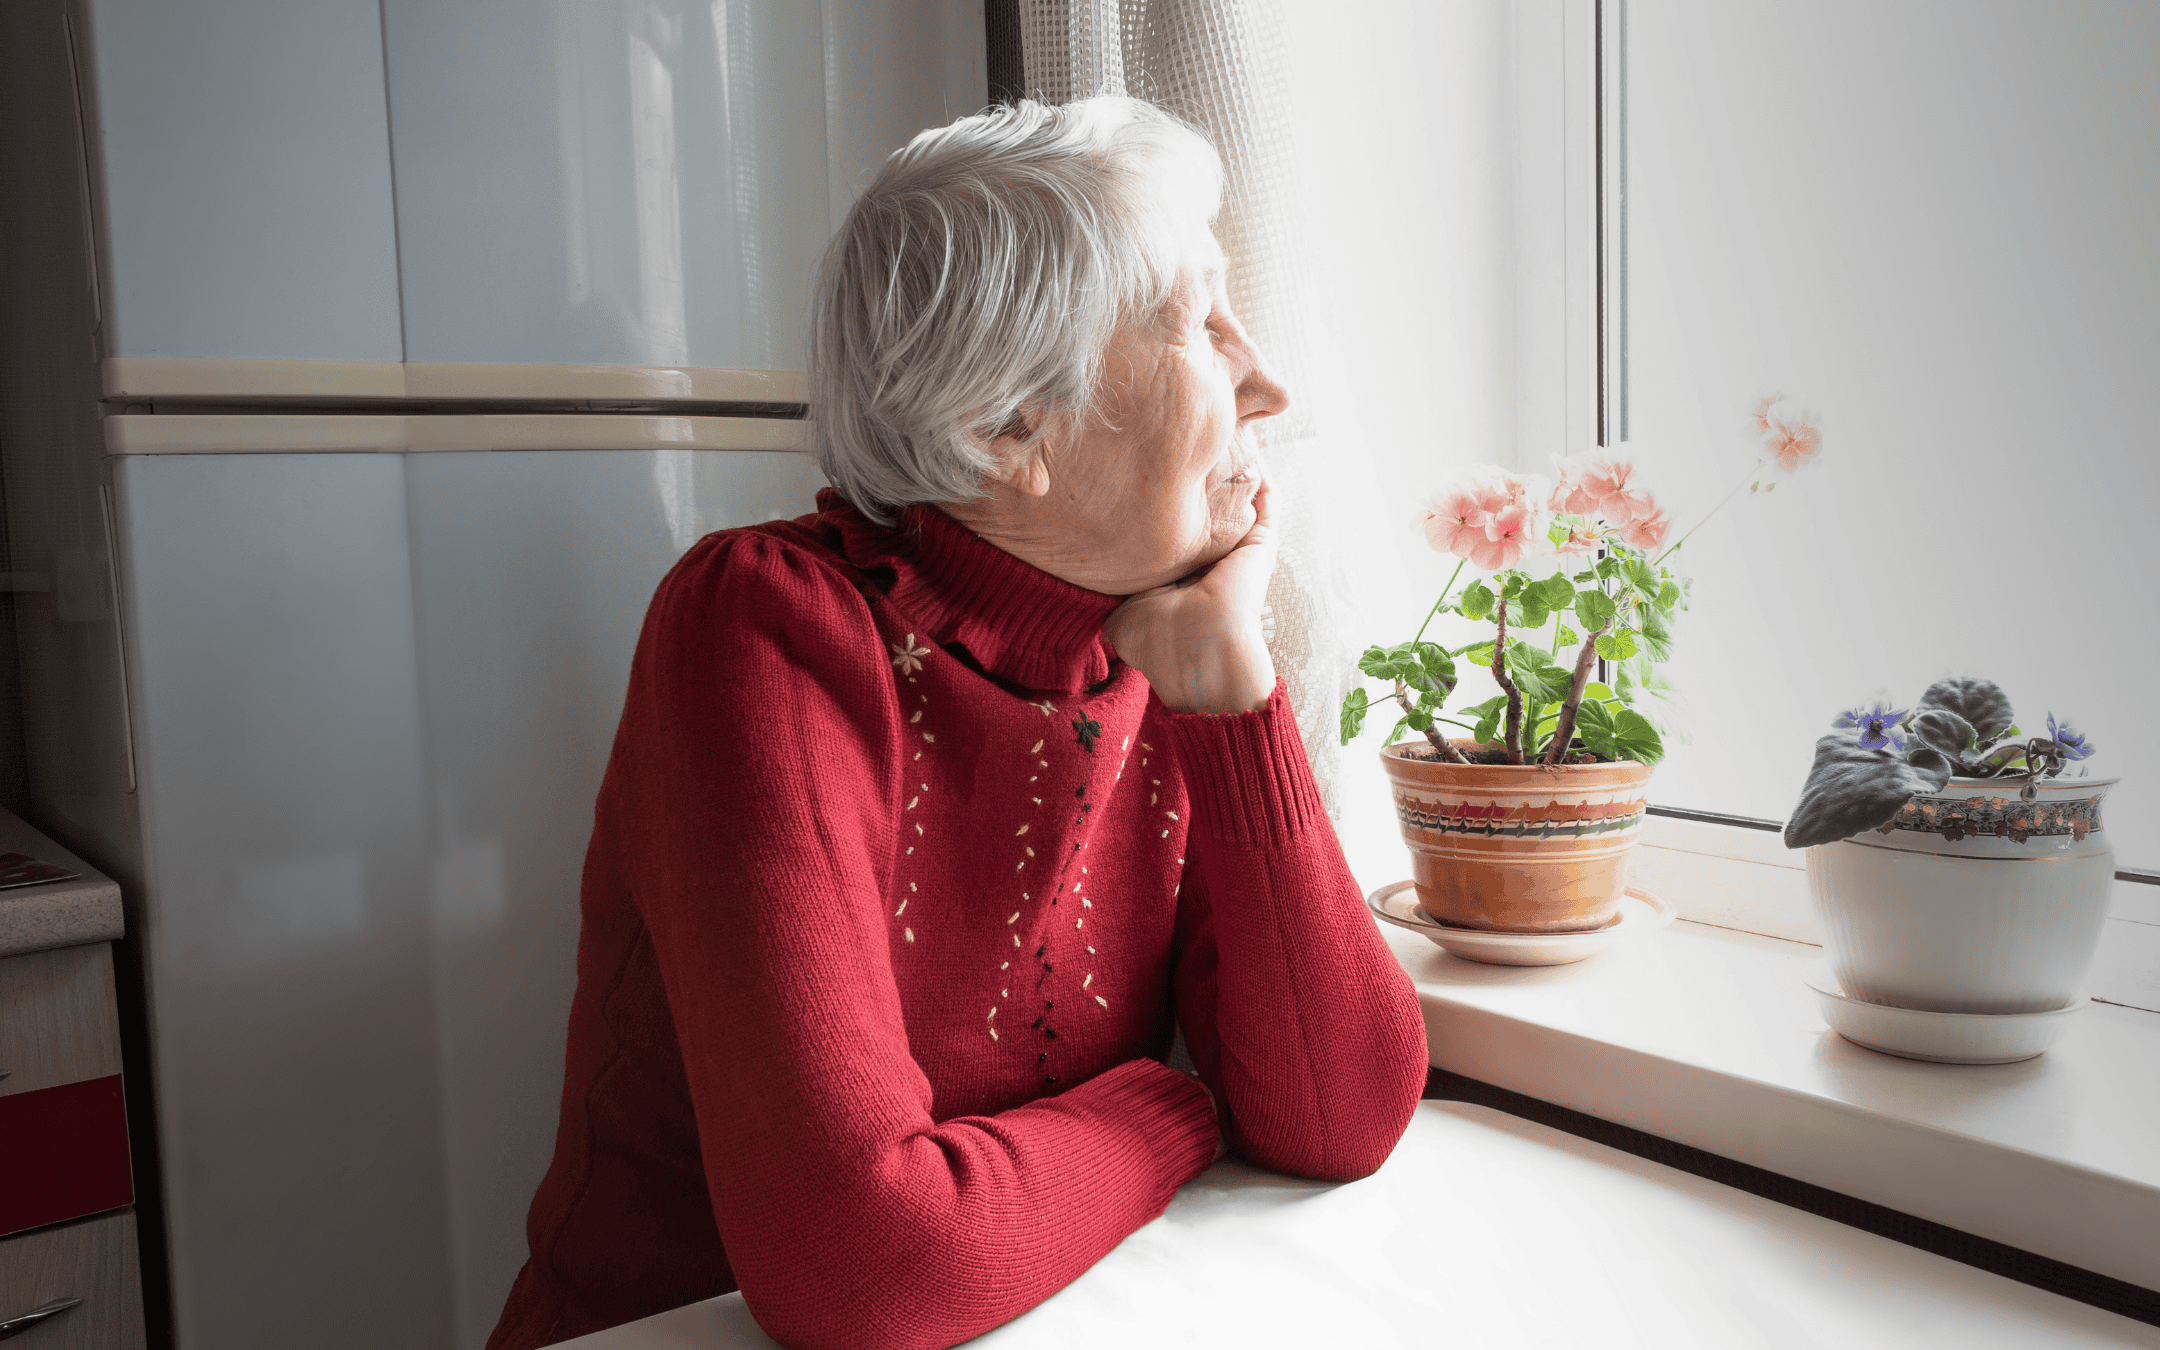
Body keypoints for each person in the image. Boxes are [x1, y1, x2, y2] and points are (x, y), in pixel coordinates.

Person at [488, 97, 1427, 1350]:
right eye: (1200, 326)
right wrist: (1175, 1111)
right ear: (1004, 429)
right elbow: (865, 1270)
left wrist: (1237, 703)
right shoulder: (765, 629)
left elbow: (1342, 1114)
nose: (1267, 382)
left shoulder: (1152, 635)